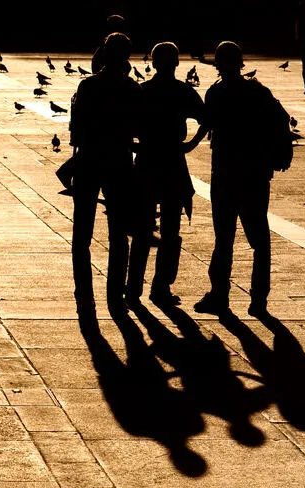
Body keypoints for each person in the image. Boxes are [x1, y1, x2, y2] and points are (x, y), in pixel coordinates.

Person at [187, 41, 287, 318]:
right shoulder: (258, 91)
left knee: (224, 237)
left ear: (218, 64)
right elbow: (281, 119)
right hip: (254, 173)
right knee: (259, 238)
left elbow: (206, 124)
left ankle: (219, 294)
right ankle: (258, 299)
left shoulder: (216, 91)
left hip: (225, 173)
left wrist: (189, 145)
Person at [69, 32, 142, 316]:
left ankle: (84, 295)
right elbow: (137, 128)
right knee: (118, 235)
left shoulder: (87, 86)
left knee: (82, 235)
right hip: (119, 162)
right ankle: (115, 295)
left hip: (89, 161)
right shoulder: (132, 88)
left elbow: (76, 131)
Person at [127, 42, 204, 308]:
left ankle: (133, 287)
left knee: (142, 229)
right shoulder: (183, 91)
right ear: (176, 63)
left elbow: (125, 125)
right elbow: (206, 119)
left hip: (147, 161)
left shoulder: (142, 91)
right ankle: (161, 286)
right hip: (173, 161)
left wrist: (134, 146)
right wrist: (191, 144)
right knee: (171, 229)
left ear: (154, 63)